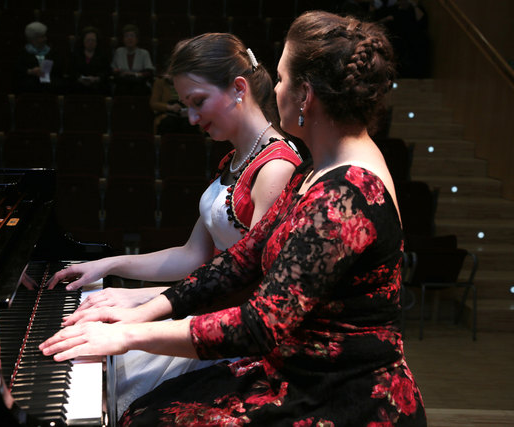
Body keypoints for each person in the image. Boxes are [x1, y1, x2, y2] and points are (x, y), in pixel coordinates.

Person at [42, 10, 428, 425]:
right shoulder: (317, 170)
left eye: (281, 78)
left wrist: (128, 334)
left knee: (147, 416)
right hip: (301, 371)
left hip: (341, 392)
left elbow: (261, 323)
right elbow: (240, 261)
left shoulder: (345, 191)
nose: (274, 88)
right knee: (146, 408)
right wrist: (142, 311)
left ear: (306, 94)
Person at [47, 32, 302, 418]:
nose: (192, 118)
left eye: (198, 102)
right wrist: (109, 265)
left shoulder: (276, 167)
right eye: (186, 105)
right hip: (205, 309)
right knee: (97, 367)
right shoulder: (236, 159)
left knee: (109, 382)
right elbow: (192, 256)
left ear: (238, 88)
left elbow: (253, 289)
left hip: (235, 340)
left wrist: (141, 301)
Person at [13, 21, 64, 94]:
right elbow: (18, 68)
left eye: (45, 36)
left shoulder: (52, 51)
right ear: (32, 39)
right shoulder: (23, 52)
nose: (45, 39)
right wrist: (31, 71)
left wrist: (46, 69)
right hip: (30, 81)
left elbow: (59, 67)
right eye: (42, 37)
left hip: (50, 80)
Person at [110, 24, 154, 95]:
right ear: (123, 39)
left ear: (137, 39)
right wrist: (119, 72)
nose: (129, 39)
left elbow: (149, 72)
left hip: (139, 83)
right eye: (127, 36)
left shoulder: (144, 53)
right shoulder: (119, 51)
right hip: (123, 83)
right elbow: (113, 70)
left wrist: (135, 74)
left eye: (132, 36)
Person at [68, 26, 111, 95]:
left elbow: (107, 71)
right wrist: (80, 78)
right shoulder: (76, 54)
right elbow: (72, 70)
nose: (90, 42)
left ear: (97, 42)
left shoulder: (103, 55)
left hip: (98, 87)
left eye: (93, 40)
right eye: (88, 40)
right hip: (79, 87)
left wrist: (97, 78)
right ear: (83, 41)